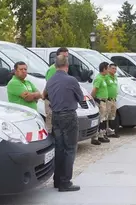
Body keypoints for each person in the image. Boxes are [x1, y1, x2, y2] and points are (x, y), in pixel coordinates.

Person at [43, 54, 83, 192]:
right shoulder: (71, 80)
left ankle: (57, 180)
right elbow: (80, 97)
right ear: (67, 66)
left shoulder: (50, 80)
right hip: (69, 115)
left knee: (59, 148)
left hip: (56, 116)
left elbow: (45, 95)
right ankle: (65, 182)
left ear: (55, 66)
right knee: (70, 148)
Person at [44, 47, 69, 133]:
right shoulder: (52, 70)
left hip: (60, 102)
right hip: (52, 101)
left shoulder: (64, 69)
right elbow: (49, 86)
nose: (65, 59)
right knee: (51, 125)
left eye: (67, 57)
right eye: (63, 56)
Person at [90, 62, 111, 145]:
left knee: (103, 119)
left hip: (104, 101)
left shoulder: (103, 77)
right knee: (100, 120)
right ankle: (95, 137)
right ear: (104, 69)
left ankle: (101, 135)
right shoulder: (99, 78)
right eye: (108, 68)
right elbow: (95, 90)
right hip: (100, 101)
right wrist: (93, 99)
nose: (109, 70)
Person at [105, 63, 119, 138]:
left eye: (115, 69)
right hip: (108, 99)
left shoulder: (115, 77)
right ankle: (106, 132)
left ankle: (112, 131)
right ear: (109, 69)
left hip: (114, 99)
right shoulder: (106, 77)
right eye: (113, 68)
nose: (114, 70)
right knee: (107, 116)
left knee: (112, 116)